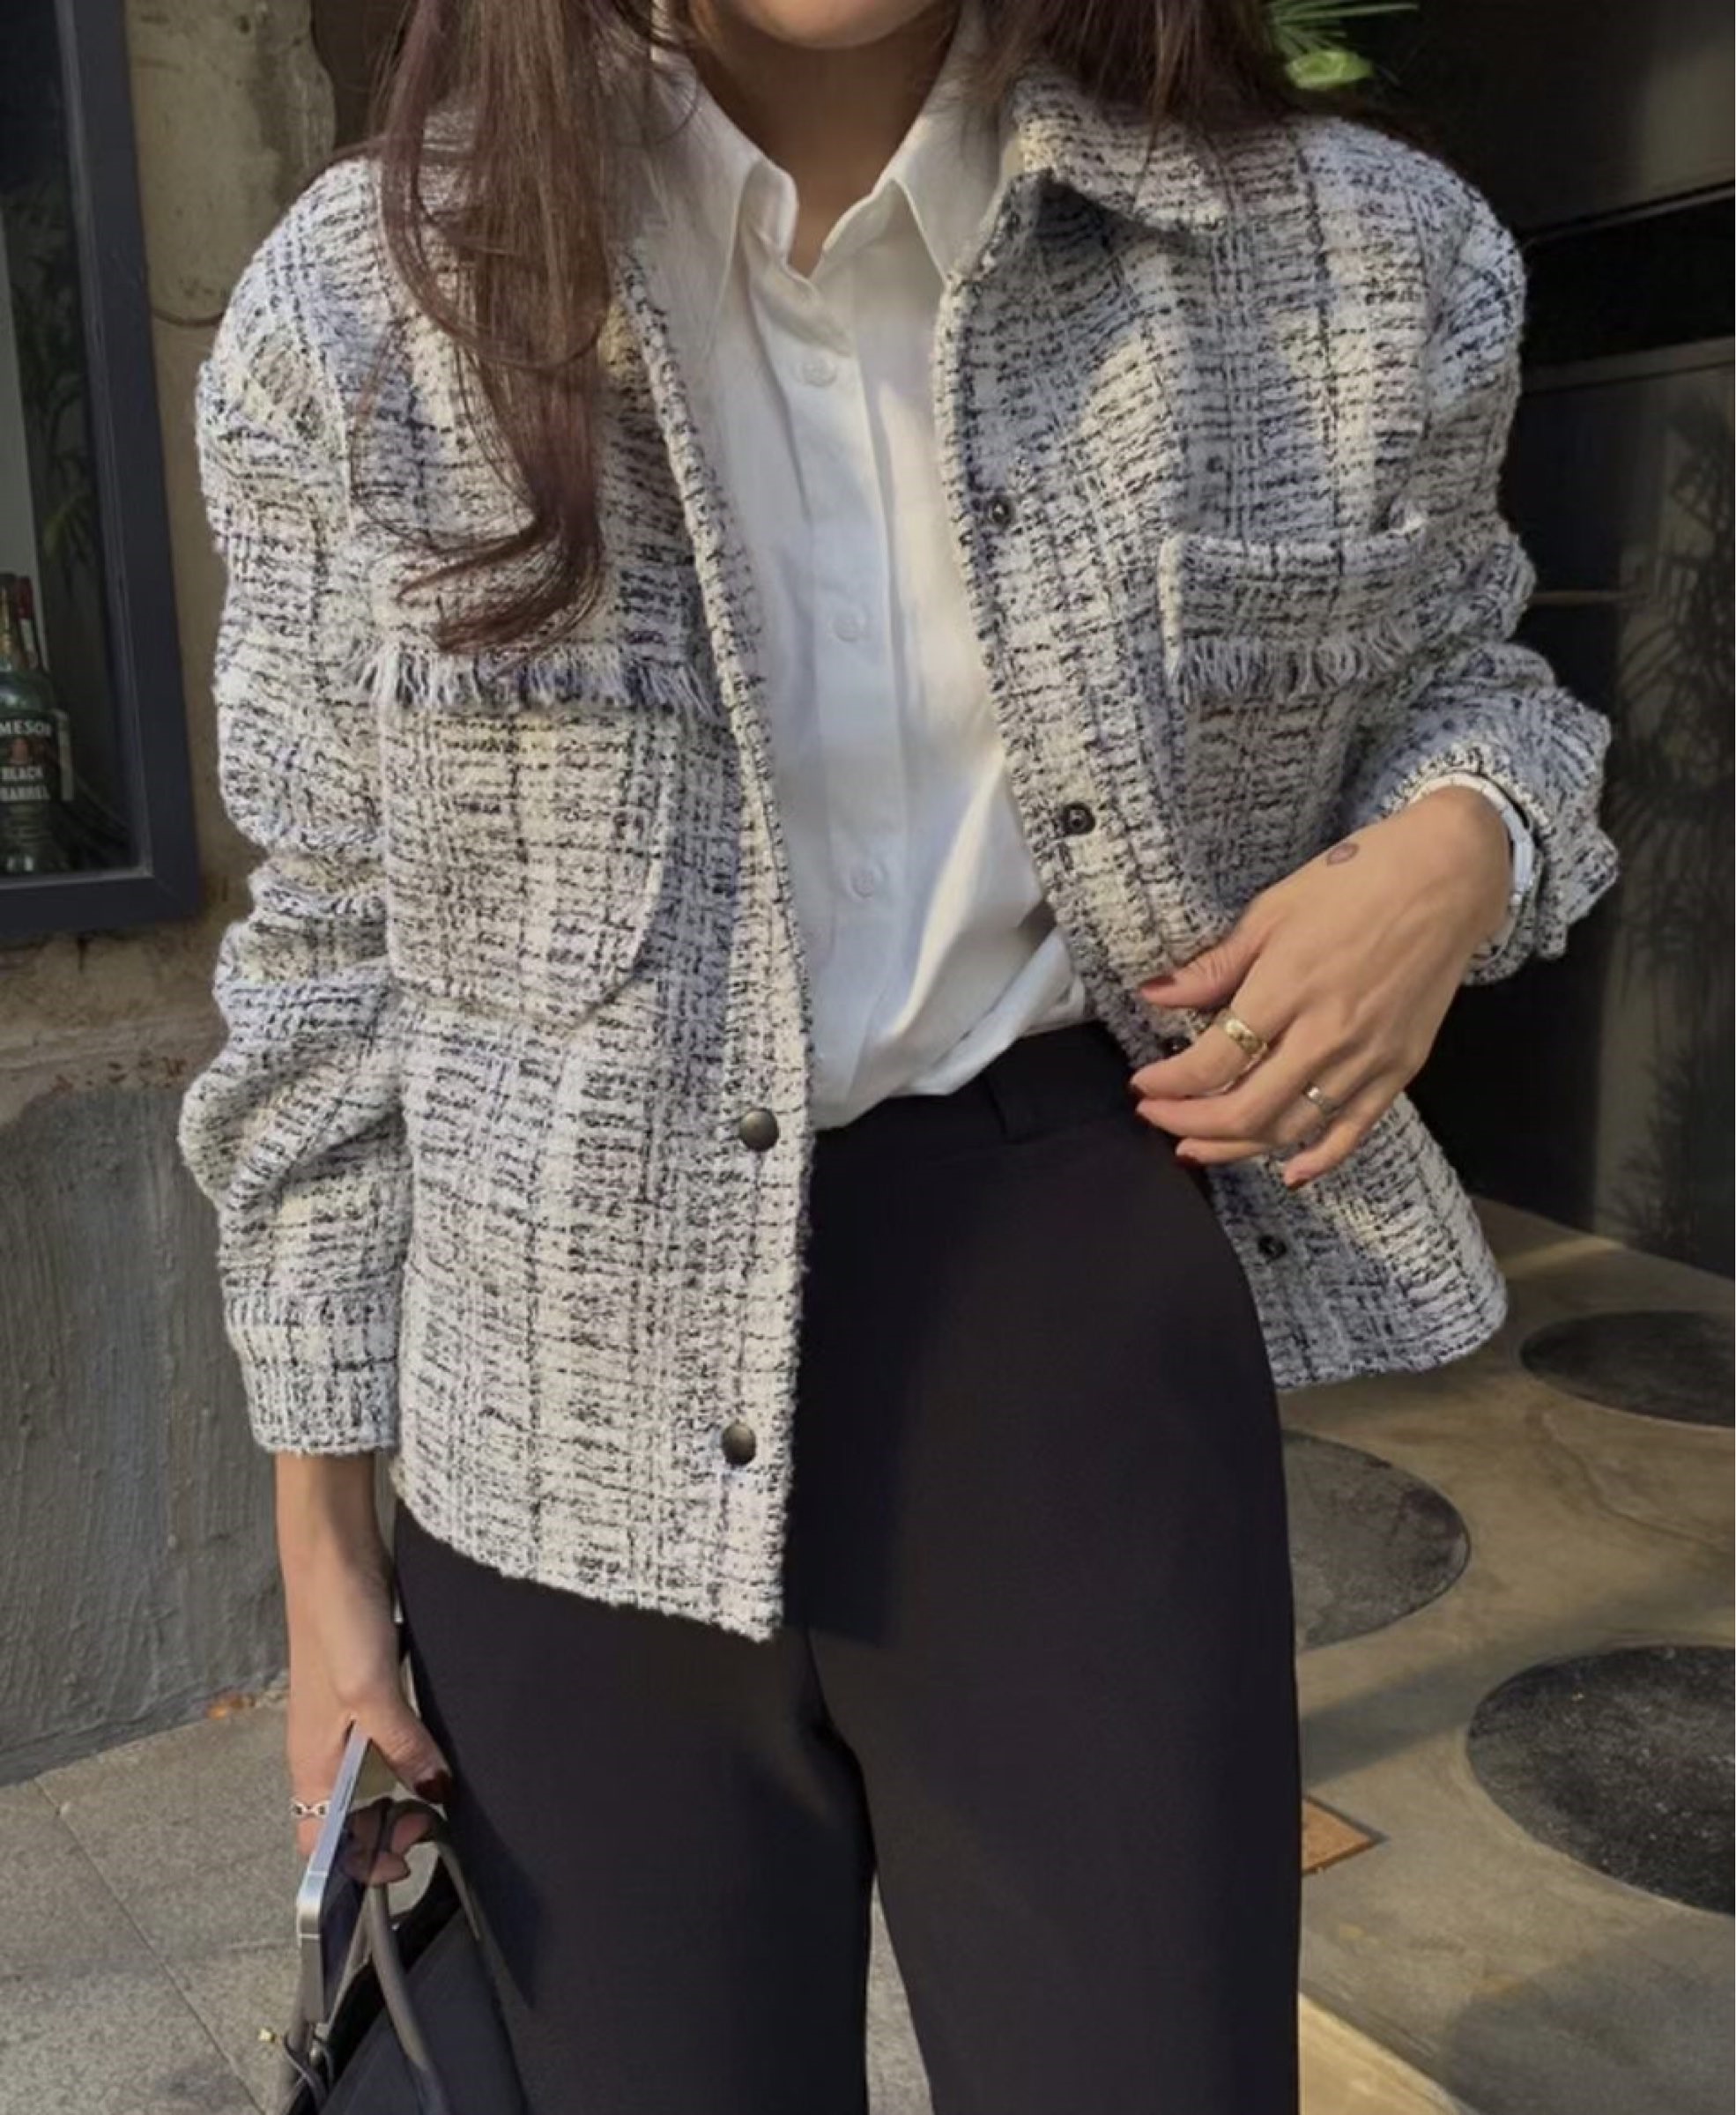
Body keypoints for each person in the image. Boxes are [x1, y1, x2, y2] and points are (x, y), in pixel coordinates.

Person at [177, 1, 1620, 2108]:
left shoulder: (1352, 256)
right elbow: (328, 952)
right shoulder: (367, 298)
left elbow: (1475, 683)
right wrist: (322, 1561)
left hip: (1059, 1317)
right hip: (552, 1385)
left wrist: (1461, 847)